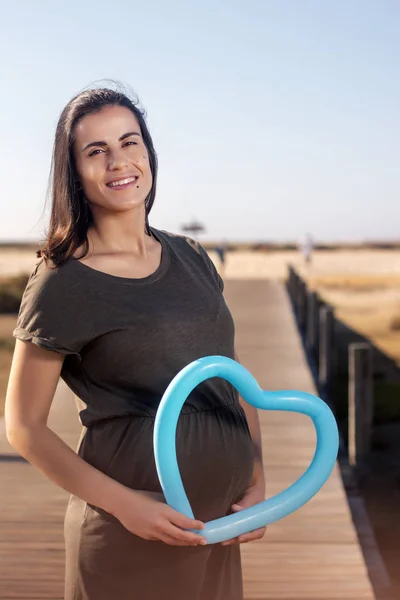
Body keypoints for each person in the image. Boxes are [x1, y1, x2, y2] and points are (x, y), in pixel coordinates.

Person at [5, 85, 266, 600]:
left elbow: (229, 376)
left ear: (148, 152)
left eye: (130, 143)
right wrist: (128, 506)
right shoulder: (63, 281)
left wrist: (255, 478)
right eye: (96, 151)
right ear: (73, 172)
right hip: (129, 536)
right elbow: (24, 427)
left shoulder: (191, 256)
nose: (118, 161)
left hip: (217, 528)